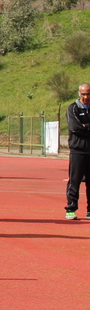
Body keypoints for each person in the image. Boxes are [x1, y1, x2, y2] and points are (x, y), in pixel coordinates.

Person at [65, 84, 90, 220]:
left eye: (89, 94)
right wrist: (84, 128)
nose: (86, 97)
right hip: (78, 150)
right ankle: (71, 209)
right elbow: (75, 128)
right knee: (74, 181)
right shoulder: (72, 108)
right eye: (84, 94)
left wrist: (85, 127)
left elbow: (82, 129)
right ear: (79, 93)